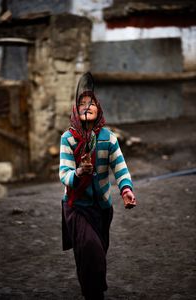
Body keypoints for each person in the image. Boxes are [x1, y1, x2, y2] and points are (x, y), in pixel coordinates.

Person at [59, 72, 136, 300]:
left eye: (91, 102)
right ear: (75, 110)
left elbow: (120, 167)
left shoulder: (108, 138)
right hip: (76, 207)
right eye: (82, 103)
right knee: (91, 251)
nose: (87, 106)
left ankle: (91, 289)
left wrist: (126, 189)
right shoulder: (68, 139)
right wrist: (80, 171)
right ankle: (95, 295)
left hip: (102, 209)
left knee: (96, 254)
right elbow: (64, 174)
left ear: (98, 108)